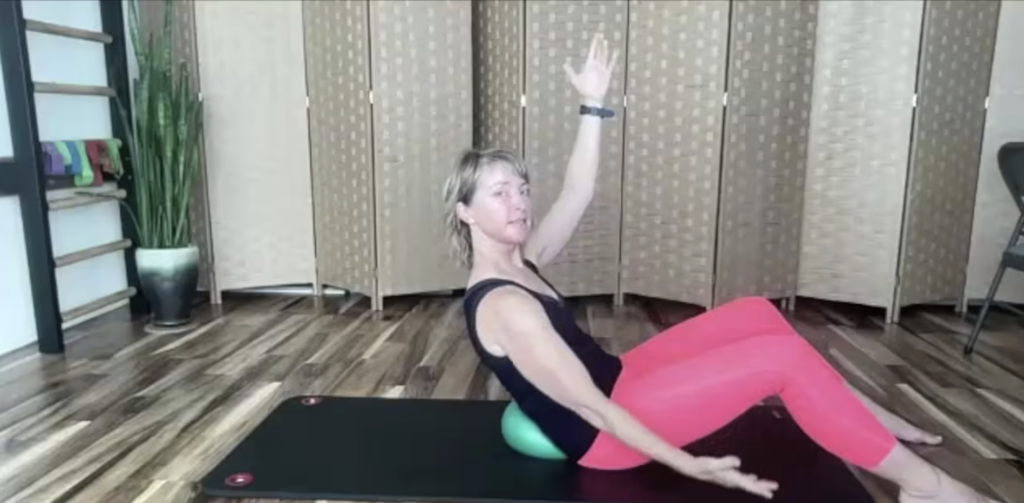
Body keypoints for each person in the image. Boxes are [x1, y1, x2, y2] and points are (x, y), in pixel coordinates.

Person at [443, 33, 1000, 503]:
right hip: (607, 433)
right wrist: (688, 465)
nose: (519, 202)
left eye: (520, 188)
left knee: (756, 314)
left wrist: (593, 105)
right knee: (778, 360)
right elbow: (591, 408)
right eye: (498, 194)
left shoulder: (526, 259)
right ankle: (924, 486)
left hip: (619, 379)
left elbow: (578, 190)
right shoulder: (505, 304)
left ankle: (875, 420)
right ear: (465, 212)